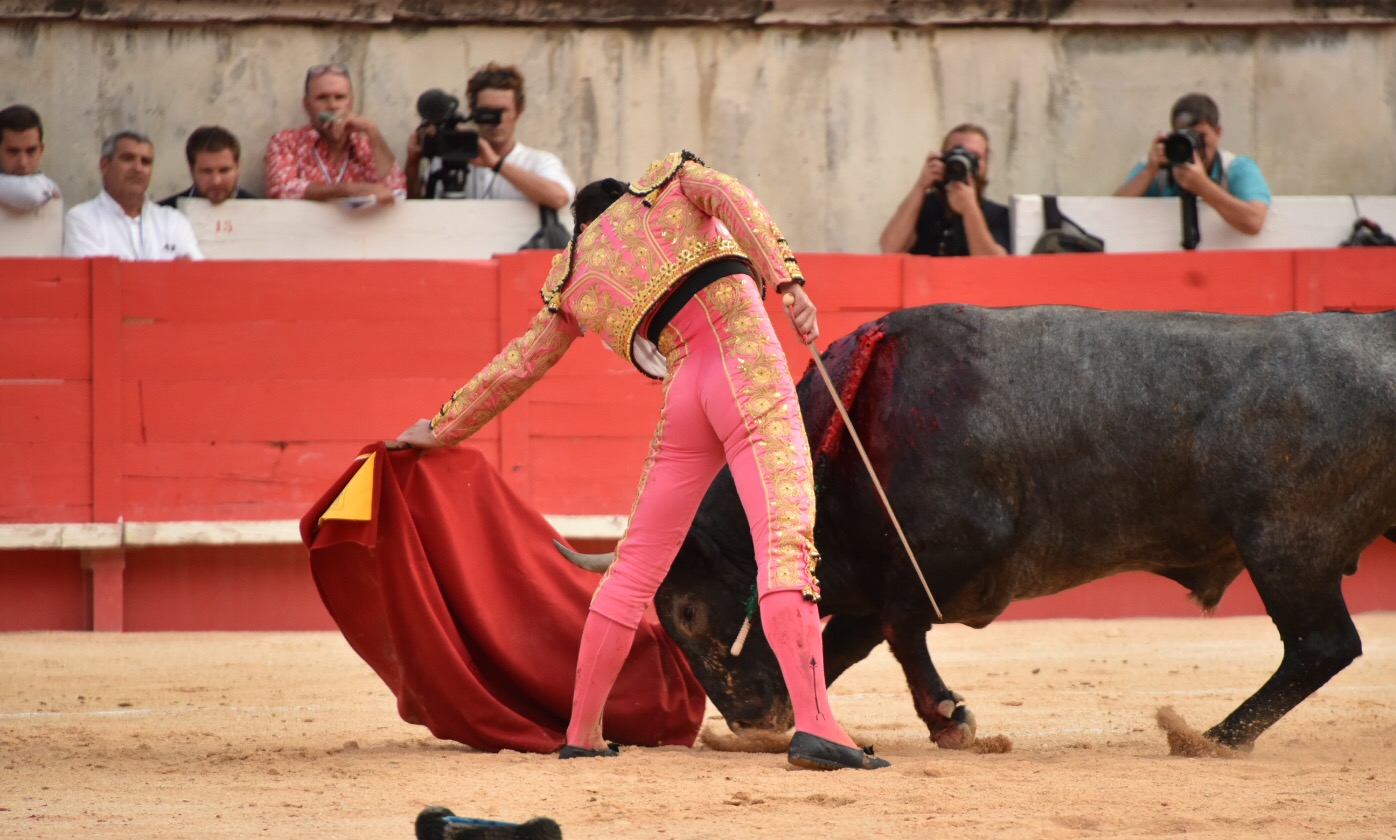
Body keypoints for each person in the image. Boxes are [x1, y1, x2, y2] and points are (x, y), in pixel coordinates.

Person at [396, 150, 888, 771]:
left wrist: (440, 429)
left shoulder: (575, 276)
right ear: (626, 197)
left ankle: (582, 730)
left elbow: (517, 366)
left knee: (632, 571)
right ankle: (817, 726)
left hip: (686, 396)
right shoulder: (669, 184)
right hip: (746, 363)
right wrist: (786, 280)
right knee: (784, 545)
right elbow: (735, 199)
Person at [405, 63, 574, 216]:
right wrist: (413, 163)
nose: (496, 121)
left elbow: (559, 197)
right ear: (473, 111)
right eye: (487, 112)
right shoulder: (451, 157)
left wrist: (496, 164)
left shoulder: (538, 161)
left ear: (518, 112)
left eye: (503, 111)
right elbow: (416, 210)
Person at [1113, 92, 1271, 235]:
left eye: (1201, 135)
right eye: (1186, 136)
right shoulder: (1157, 168)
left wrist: (1202, 186)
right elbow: (1110, 214)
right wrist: (1149, 171)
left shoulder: (1235, 167)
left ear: (1218, 132)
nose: (1194, 144)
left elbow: (1254, 221)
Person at [265, 63, 406, 204]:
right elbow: (282, 189)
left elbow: (396, 190)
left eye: (339, 97)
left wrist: (372, 131)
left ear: (350, 103)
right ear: (307, 105)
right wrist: (348, 189)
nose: (332, 106)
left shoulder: (366, 145)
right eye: (322, 98)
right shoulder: (287, 141)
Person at [63, 132, 202, 261]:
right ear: (104, 166)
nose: (138, 168)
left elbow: (197, 278)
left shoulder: (173, 221)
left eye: (146, 161)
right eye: (128, 159)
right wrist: (170, 273)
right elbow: (99, 281)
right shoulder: (82, 219)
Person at [878, 123, 1009, 256]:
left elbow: (993, 266)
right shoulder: (922, 207)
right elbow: (890, 249)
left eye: (974, 156)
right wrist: (920, 186)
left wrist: (970, 210)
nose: (965, 162)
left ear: (986, 165)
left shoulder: (998, 215)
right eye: (957, 152)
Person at [158, 126, 260, 208]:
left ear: (238, 167)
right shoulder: (163, 215)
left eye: (224, 170)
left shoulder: (262, 213)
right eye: (206, 171)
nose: (216, 181)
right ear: (191, 170)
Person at [0, 104, 61, 212]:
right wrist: (49, 187)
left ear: (41, 150)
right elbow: (31, 195)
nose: (23, 163)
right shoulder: (44, 188)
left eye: (31, 151)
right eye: (13, 152)